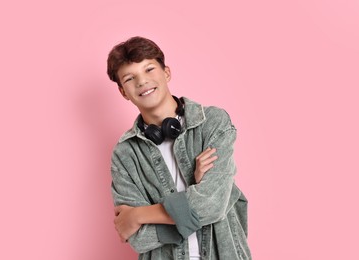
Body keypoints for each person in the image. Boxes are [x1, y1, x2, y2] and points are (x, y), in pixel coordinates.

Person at [107, 36, 251, 260]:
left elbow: (211, 205)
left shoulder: (212, 123)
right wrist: (195, 190)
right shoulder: (125, 154)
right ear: (123, 92)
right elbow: (138, 239)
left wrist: (137, 215)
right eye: (129, 78)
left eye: (149, 69)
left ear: (166, 73)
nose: (142, 82)